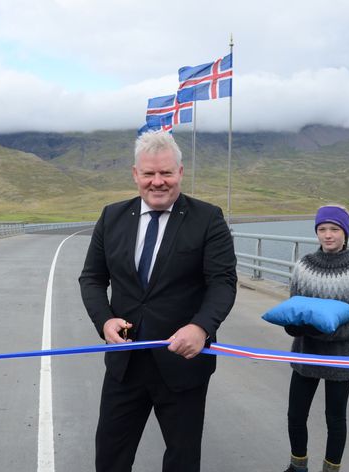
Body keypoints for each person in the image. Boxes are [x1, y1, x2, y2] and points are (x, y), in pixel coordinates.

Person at [79, 131, 237, 472]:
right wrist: (105, 320)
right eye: (149, 174)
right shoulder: (111, 217)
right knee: (109, 457)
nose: (158, 182)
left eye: (166, 173)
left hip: (183, 364)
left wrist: (201, 327)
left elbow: (222, 283)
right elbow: (92, 278)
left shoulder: (208, 219)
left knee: (182, 460)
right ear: (136, 174)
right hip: (125, 364)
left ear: (180, 172)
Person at [281, 205, 349, 472]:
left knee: (335, 419)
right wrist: (294, 328)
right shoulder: (302, 266)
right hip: (304, 353)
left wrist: (321, 331)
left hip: (341, 358)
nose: (328, 235)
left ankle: (331, 469)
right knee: (295, 415)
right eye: (322, 229)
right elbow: (292, 309)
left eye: (334, 229)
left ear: (345, 233)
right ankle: (298, 466)